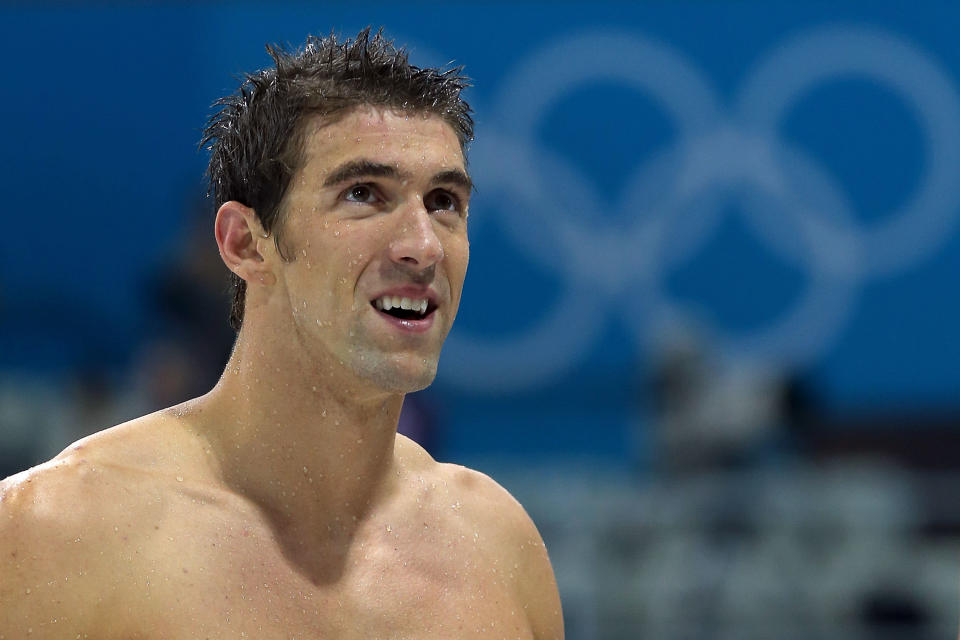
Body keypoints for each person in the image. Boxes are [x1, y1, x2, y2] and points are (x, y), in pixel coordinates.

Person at [0, 28, 564, 639]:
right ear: (245, 243)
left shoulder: (496, 547)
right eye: (364, 194)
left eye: (444, 201)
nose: (423, 246)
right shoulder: (61, 532)